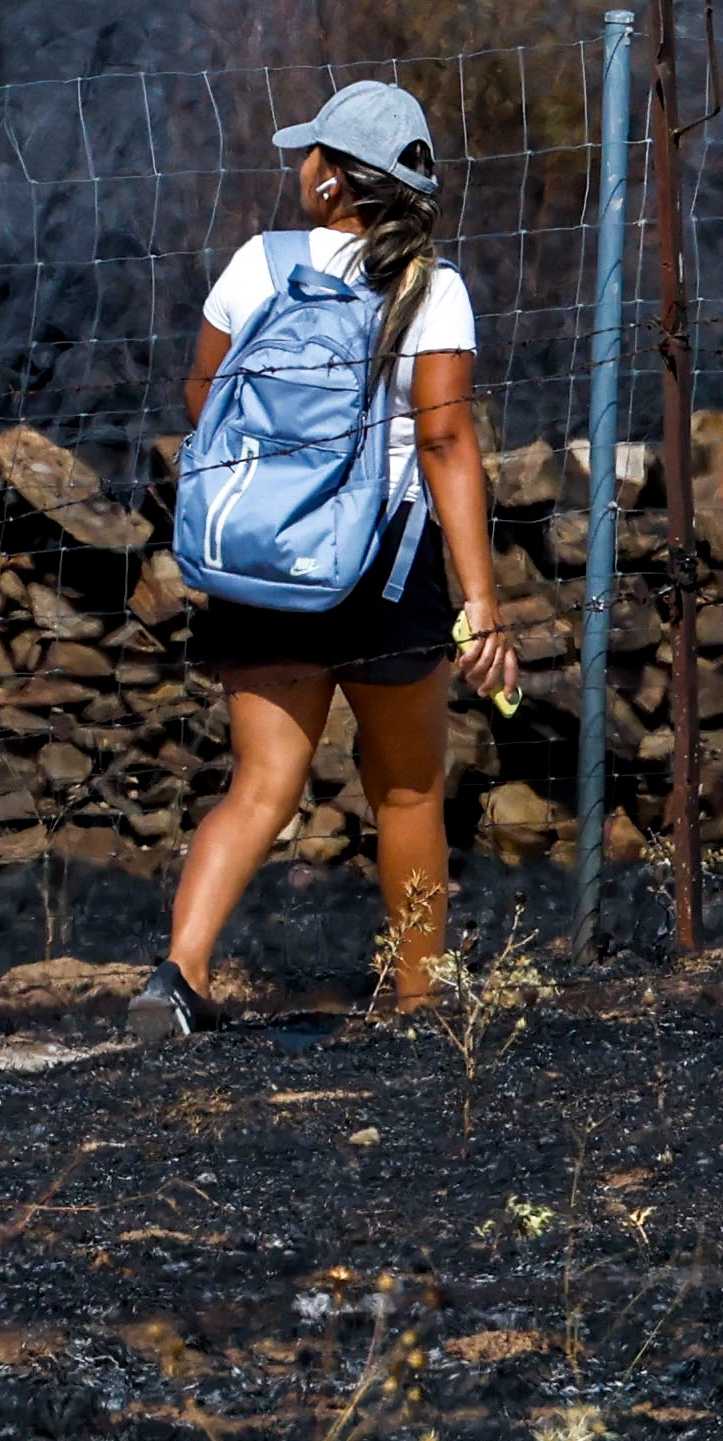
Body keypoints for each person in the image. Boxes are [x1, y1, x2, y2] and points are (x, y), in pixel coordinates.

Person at [133, 78, 521, 1040]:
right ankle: (421, 1001)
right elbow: (444, 446)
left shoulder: (258, 266)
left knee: (261, 785)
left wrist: (280, 484)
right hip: (385, 570)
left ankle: (177, 979)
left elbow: (201, 400)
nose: (298, 167)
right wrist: (484, 602)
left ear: (335, 182)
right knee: (406, 786)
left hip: (263, 563)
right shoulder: (435, 288)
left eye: (311, 153)